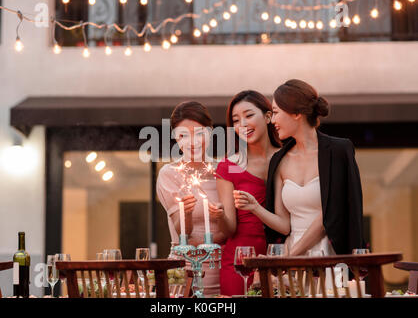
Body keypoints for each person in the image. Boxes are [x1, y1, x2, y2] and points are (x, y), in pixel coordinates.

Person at [235, 79, 364, 257]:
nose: (272, 120)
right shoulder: (279, 160)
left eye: (275, 112)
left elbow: (328, 217)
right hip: (292, 256)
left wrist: (289, 258)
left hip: (329, 256)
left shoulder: (339, 151)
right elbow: (284, 224)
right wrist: (255, 207)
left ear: (296, 113)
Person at [214, 90, 282, 296]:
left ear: (268, 116)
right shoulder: (230, 166)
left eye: (249, 115)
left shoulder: (288, 158)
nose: (242, 124)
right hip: (239, 262)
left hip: (281, 258)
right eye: (236, 120)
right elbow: (229, 229)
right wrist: (219, 217)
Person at [156, 101, 226, 297]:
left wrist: (221, 216)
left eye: (198, 133)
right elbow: (182, 232)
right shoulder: (169, 174)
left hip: (219, 268)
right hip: (182, 271)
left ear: (210, 132)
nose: (192, 141)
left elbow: (231, 228)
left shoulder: (223, 170)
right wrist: (185, 212)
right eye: (183, 135)